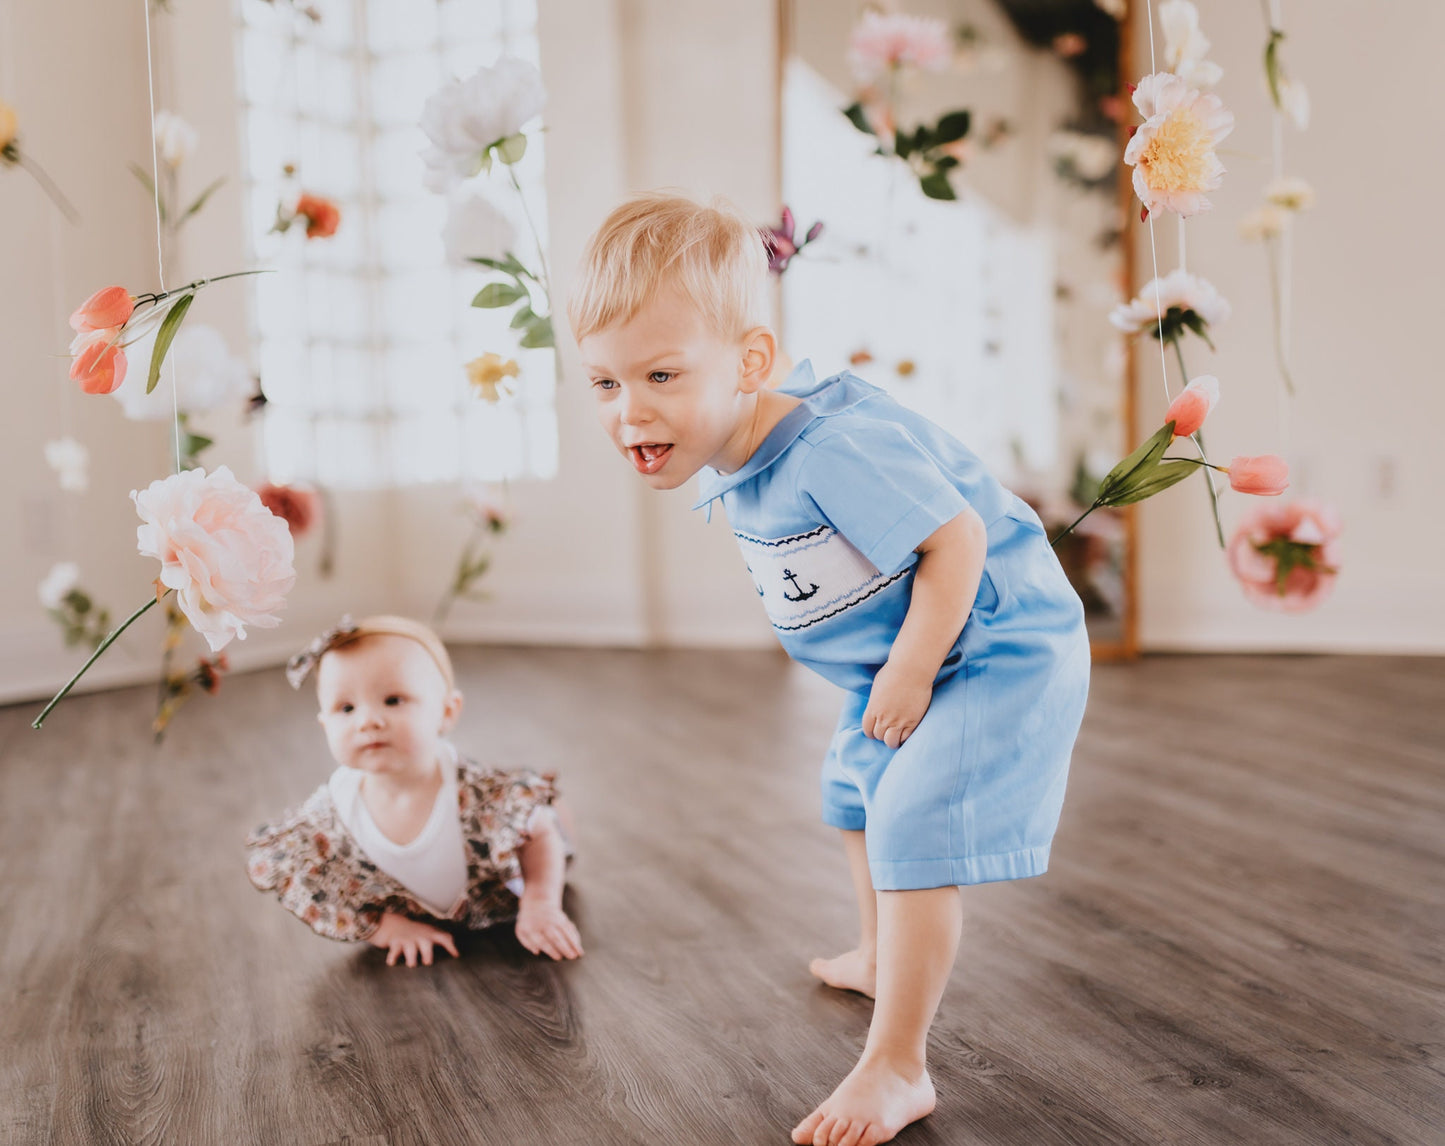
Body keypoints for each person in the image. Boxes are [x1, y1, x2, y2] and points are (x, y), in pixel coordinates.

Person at [568, 192, 1090, 1146]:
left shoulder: (832, 448)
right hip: (907, 654)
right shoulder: (736, 449)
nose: (630, 410)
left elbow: (959, 538)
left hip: (992, 649)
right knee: (853, 788)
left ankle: (898, 1066)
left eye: (661, 375)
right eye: (603, 384)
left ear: (751, 362)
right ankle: (882, 955)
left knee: (913, 823)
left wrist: (909, 670)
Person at [245, 614, 582, 967]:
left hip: (497, 896)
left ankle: (557, 830)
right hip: (412, 908)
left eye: (393, 700)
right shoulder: (327, 816)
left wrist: (540, 903)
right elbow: (317, 884)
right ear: (324, 724)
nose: (368, 721)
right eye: (346, 708)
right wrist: (387, 930)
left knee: (547, 818)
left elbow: (536, 832)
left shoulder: (478, 794)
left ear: (447, 712)